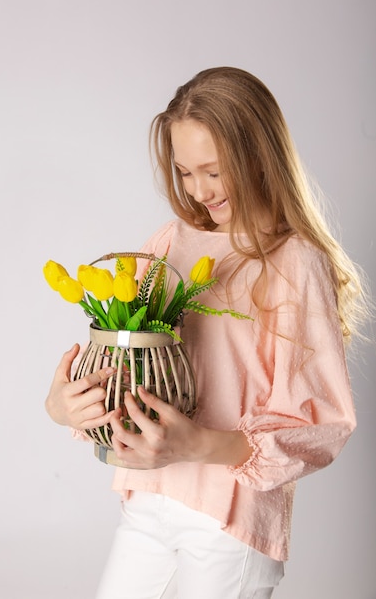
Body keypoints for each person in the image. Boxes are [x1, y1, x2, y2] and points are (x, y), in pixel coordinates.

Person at [45, 67, 368, 598]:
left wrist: (197, 443)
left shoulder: (294, 262)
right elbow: (136, 361)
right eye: (185, 171)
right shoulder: (171, 241)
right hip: (149, 499)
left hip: (229, 519)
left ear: (258, 155)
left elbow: (321, 422)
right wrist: (68, 407)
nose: (198, 190)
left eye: (213, 171)